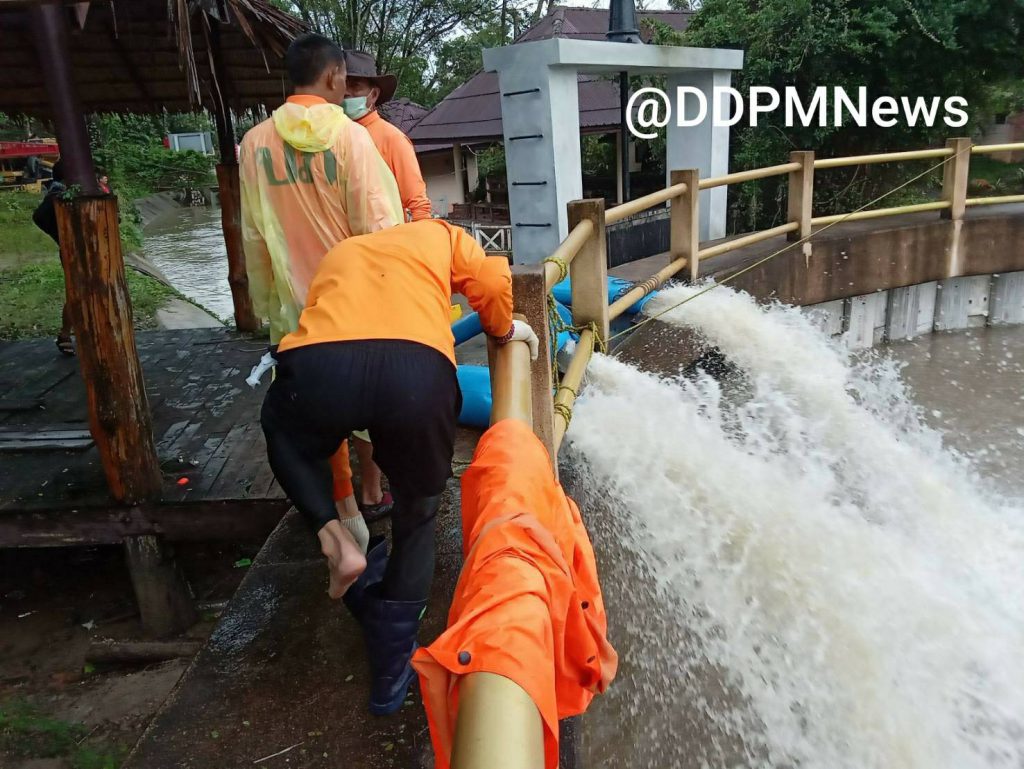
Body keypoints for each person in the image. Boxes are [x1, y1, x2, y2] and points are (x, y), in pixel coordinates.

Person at [260, 219, 539, 715]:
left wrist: (334, 499)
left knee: (287, 439)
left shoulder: (342, 248)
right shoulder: (443, 236)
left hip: (321, 367)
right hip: (416, 374)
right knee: (417, 514)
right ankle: (391, 673)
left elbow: (323, 316)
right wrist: (500, 328)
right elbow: (494, 282)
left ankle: (331, 535)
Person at [239, 33, 404, 554]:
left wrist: (268, 306)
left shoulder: (254, 143)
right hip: (356, 306)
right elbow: (380, 231)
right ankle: (397, 512)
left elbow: (253, 235)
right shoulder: (353, 139)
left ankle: (347, 512)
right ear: (334, 76)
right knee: (379, 405)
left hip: (296, 312)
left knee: (313, 413)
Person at [340, 50, 434, 522]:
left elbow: (419, 206)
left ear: (373, 93)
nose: (346, 97)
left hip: (389, 275)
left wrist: (414, 269)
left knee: (389, 382)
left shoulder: (390, 139)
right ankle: (371, 489)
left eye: (354, 89)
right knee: (357, 388)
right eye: (341, 87)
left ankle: (398, 479)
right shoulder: (332, 139)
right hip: (347, 278)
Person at [31, 159, 74, 356]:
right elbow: (39, 216)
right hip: (74, 252)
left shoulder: (64, 194)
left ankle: (69, 335)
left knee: (77, 296)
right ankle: (65, 335)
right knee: (76, 296)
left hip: (78, 251)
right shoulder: (60, 195)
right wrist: (62, 236)